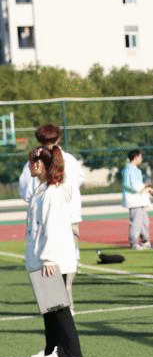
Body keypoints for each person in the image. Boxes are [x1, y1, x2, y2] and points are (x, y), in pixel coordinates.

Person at [25, 145, 83, 357]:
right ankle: (52, 348)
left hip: (51, 258)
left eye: (32, 162)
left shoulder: (52, 192)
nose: (29, 166)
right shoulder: (41, 190)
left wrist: (49, 257)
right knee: (48, 308)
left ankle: (69, 351)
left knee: (58, 307)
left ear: (40, 164)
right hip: (40, 257)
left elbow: (52, 227)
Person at [21, 124, 85, 303]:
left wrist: (48, 258)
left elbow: (25, 191)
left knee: (55, 301)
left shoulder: (50, 190)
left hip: (49, 231)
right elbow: (77, 183)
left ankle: (65, 309)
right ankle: (65, 307)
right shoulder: (69, 161)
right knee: (57, 296)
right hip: (67, 220)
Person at [120, 149, 153, 248]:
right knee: (136, 222)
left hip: (140, 200)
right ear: (135, 157)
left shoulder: (137, 170)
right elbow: (132, 186)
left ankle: (145, 241)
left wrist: (145, 187)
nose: (141, 159)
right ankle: (134, 243)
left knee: (144, 222)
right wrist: (144, 186)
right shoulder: (128, 170)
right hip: (134, 201)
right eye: (140, 157)